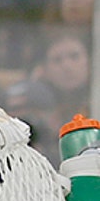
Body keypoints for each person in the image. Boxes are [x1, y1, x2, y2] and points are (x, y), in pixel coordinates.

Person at [8, 28, 90, 161]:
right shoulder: (32, 106)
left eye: (74, 56)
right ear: (44, 69)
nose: (67, 66)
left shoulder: (94, 99)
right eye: (57, 60)